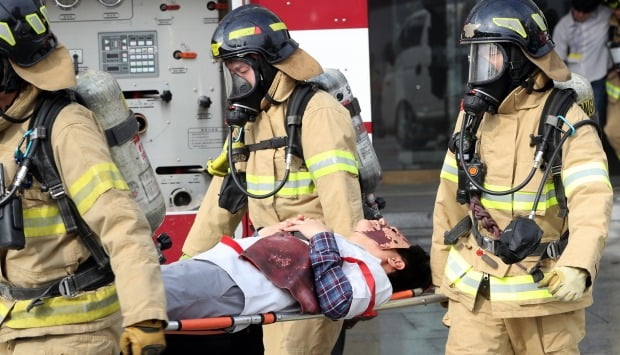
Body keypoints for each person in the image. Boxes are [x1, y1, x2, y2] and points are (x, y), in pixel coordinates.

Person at [178, 4, 365, 355]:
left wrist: (349, 278)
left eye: (242, 70)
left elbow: (342, 201)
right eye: (231, 73)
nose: (236, 82)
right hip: (269, 266)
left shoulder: (317, 112)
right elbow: (224, 199)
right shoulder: (250, 120)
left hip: (312, 272)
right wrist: (185, 271)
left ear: (265, 63)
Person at [431, 0, 613, 354]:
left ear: (521, 58)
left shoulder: (566, 120)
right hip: (476, 296)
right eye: (475, 56)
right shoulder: (471, 119)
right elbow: (449, 199)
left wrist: (578, 264)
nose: (480, 68)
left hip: (543, 297)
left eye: (490, 55)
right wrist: (440, 278)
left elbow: (592, 198)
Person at [0, 1, 167, 354]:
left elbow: (121, 221)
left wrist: (144, 315)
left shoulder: (66, 126)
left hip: (72, 335)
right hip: (14, 329)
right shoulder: (7, 129)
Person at [164, 217, 431, 328]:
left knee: (138, 295)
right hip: (223, 273)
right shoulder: (350, 252)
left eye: (397, 234)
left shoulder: (375, 277)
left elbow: (338, 302)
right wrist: (268, 234)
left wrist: (321, 235)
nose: (383, 222)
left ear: (396, 261)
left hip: (229, 283)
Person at [553, 0, 611, 134]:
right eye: (577, 11)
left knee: (596, 118)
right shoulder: (563, 26)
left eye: (585, 12)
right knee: (574, 118)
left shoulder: (604, 15)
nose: (580, 15)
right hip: (574, 81)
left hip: (597, 78)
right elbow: (558, 59)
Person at [604, 0, 620, 159]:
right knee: (612, 131)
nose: (616, 12)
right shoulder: (610, 26)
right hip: (616, 87)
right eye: (614, 9)